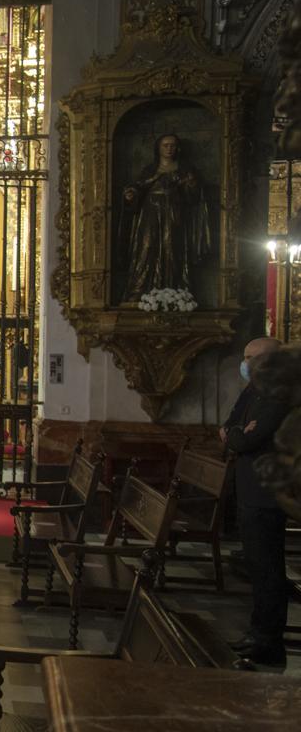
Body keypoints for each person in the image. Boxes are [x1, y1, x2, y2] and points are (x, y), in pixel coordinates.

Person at [220, 336, 289, 670]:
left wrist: (237, 435)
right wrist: (236, 433)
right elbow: (230, 426)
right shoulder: (254, 390)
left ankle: (269, 641)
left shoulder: (279, 394)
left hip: (265, 493)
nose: (244, 363)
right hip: (249, 490)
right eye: (244, 356)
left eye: (251, 357)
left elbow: (248, 439)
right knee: (257, 568)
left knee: (268, 570)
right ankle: (257, 632)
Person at [121, 133, 211, 302]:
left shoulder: (185, 170)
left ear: (178, 148)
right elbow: (138, 187)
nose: (169, 148)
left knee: (172, 250)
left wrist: (191, 185)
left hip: (174, 214)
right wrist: (131, 194)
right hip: (150, 214)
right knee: (146, 249)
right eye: (165, 145)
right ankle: (141, 291)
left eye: (172, 145)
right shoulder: (150, 170)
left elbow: (194, 198)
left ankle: (175, 292)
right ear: (158, 148)